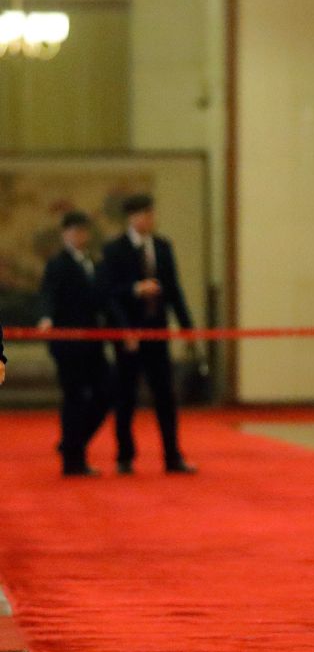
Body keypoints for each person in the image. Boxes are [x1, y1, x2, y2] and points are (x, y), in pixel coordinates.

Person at [99, 194, 196, 475]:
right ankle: (125, 456)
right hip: (128, 333)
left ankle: (172, 455)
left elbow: (174, 290)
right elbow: (108, 293)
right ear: (131, 217)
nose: (149, 219)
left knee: (165, 395)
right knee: (126, 396)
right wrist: (134, 292)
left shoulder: (163, 247)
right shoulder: (114, 249)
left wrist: (186, 328)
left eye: (151, 214)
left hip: (157, 331)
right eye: (143, 214)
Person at [38, 210, 110, 477]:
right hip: (67, 344)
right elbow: (47, 294)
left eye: (82, 231)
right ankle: (73, 461)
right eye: (73, 231)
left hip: (93, 341)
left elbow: (104, 299)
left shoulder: (93, 262)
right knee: (75, 397)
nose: (79, 236)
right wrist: (46, 318)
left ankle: (71, 443)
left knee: (106, 392)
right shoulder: (58, 264)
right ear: (64, 234)